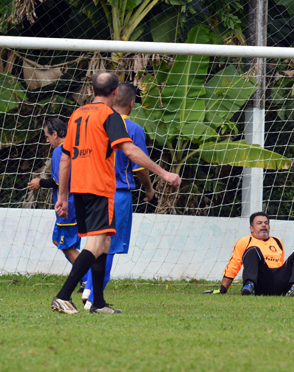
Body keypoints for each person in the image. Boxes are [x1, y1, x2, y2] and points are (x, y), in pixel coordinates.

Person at [51, 71, 181, 315]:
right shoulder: (110, 116)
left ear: (92, 91)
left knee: (105, 242)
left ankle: (98, 302)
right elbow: (130, 151)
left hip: (79, 189)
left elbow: (66, 159)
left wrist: (61, 196)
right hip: (99, 188)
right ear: (114, 93)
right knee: (98, 243)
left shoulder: (77, 114)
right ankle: (63, 295)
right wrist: (164, 173)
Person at [82, 83, 155, 310]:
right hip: (117, 193)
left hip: (90, 190)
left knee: (94, 242)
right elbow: (139, 167)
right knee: (109, 246)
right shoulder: (133, 129)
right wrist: (149, 188)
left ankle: (87, 288)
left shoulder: (95, 122)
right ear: (132, 103)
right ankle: (94, 298)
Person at [28, 118, 86, 291]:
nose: (47, 141)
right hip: (77, 203)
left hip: (68, 205)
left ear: (55, 134)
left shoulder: (60, 151)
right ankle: (86, 276)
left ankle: (88, 277)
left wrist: (40, 183)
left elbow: (59, 180)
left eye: (47, 137)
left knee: (67, 246)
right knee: (58, 241)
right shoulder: (76, 148)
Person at [205, 212, 294, 297]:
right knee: (253, 250)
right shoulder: (245, 241)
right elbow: (234, 265)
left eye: (266, 223)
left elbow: (282, 265)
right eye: (259, 223)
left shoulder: (277, 241)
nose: (264, 225)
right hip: (261, 282)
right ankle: (249, 286)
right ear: (251, 228)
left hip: (280, 282)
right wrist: (223, 289)